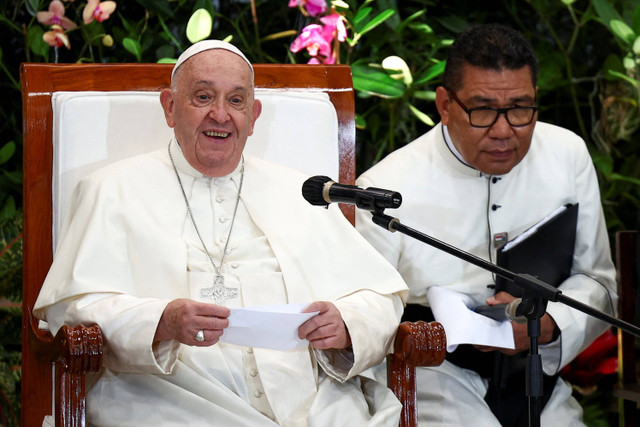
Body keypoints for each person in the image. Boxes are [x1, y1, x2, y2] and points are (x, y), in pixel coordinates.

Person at [34, 40, 409, 426]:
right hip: (168, 399)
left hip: (311, 401)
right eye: (202, 97)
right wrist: (160, 320)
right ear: (169, 107)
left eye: (236, 101)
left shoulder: (302, 192)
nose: (220, 115)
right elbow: (72, 309)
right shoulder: (110, 189)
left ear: (254, 114)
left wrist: (346, 323)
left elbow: (380, 296)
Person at [356, 23, 617, 426]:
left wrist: (550, 325)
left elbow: (597, 281)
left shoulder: (568, 155)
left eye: (520, 109)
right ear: (445, 104)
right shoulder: (386, 187)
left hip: (539, 370)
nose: (502, 131)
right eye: (481, 110)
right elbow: (365, 314)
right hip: (437, 377)